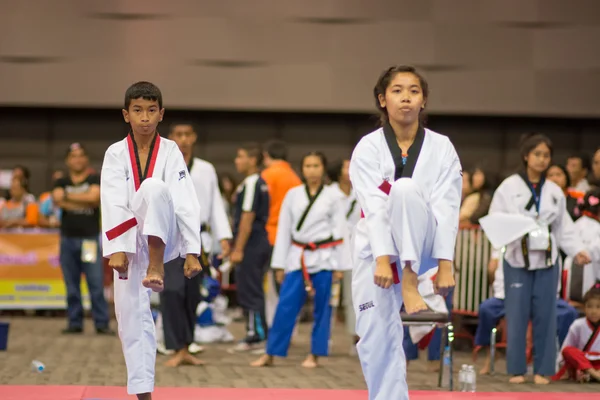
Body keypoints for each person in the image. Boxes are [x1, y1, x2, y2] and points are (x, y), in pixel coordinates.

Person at [349, 65, 460, 400]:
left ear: (423, 100)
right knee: (373, 335)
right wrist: (383, 259)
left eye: (413, 90)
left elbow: (447, 208)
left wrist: (445, 264)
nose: (406, 98)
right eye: (397, 91)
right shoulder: (368, 148)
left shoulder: (442, 148)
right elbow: (374, 205)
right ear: (383, 100)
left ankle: (411, 281)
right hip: (378, 251)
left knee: (406, 189)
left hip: (424, 245)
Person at [100, 81, 202, 400]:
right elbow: (113, 200)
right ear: (125, 115)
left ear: (161, 114)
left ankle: (156, 267)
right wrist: (117, 249)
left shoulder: (170, 150)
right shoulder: (115, 153)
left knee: (156, 187)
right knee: (130, 316)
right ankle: (143, 393)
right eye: (137, 110)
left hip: (163, 235)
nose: (145, 117)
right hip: (129, 239)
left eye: (151, 110)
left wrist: (192, 251)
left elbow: (185, 201)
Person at [486, 133, 591, 384]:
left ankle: (544, 369)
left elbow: (564, 228)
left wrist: (577, 249)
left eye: (546, 155)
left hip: (546, 260)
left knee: (546, 313)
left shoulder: (554, 191)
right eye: (537, 154)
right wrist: (493, 255)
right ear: (526, 156)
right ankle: (517, 369)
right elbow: (496, 222)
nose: (542, 160)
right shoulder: (509, 187)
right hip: (516, 259)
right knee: (517, 313)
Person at [251, 152, 346, 368]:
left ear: (323, 169)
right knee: (285, 305)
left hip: (325, 257)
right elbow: (284, 230)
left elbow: (340, 231)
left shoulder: (334, 196)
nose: (312, 170)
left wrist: (340, 266)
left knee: (323, 308)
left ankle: (315, 353)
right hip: (297, 256)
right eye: (308, 166)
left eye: (316, 165)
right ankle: (271, 352)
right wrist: (279, 264)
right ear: (302, 169)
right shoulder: (293, 195)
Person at [158, 122, 233, 367]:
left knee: (192, 296)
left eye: (187, 134)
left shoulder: (206, 169)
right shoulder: (162, 165)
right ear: (171, 138)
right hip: (170, 237)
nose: (183, 139)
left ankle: (186, 346)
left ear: (194, 137)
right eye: (178, 134)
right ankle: (176, 346)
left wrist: (224, 237)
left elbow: (216, 205)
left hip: (199, 240)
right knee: (171, 291)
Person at [476, 250, 579, 375]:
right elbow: (492, 270)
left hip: (543, 296)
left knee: (568, 313)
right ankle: (491, 355)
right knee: (486, 309)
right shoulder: (503, 244)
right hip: (506, 296)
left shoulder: (549, 243)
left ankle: (563, 360)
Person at [52, 144, 112, 335]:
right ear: (68, 160)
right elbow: (58, 199)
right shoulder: (60, 181)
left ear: (86, 159)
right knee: (71, 285)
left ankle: (101, 323)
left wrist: (69, 197)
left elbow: (94, 198)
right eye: (73, 156)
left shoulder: (94, 178)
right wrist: (82, 197)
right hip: (68, 239)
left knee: (95, 283)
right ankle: (75, 323)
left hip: (89, 240)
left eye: (80, 156)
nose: (77, 159)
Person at [229, 143, 271, 352]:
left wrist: (238, 248)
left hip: (252, 244)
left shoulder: (253, 182)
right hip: (254, 243)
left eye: (241, 156)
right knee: (250, 288)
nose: (237, 161)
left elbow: (247, 216)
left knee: (251, 289)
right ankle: (256, 331)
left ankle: (257, 335)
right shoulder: (253, 182)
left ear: (252, 160)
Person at [261, 140, 302, 328]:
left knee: (270, 288)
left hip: (269, 235)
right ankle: (289, 328)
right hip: (292, 239)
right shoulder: (295, 177)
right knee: (288, 285)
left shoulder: (266, 176)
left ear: (266, 156)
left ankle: (273, 326)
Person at [327, 158, 361, 352]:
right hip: (330, 252)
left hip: (354, 253)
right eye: (346, 166)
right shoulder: (329, 194)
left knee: (353, 297)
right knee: (329, 298)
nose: (350, 169)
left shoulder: (360, 192)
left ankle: (356, 340)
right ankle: (325, 338)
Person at [553, 284, 600, 383]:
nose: (594, 311)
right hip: (582, 361)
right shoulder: (578, 324)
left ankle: (590, 375)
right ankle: (594, 374)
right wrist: (562, 367)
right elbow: (566, 349)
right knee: (568, 351)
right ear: (584, 308)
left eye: (598, 307)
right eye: (589, 307)